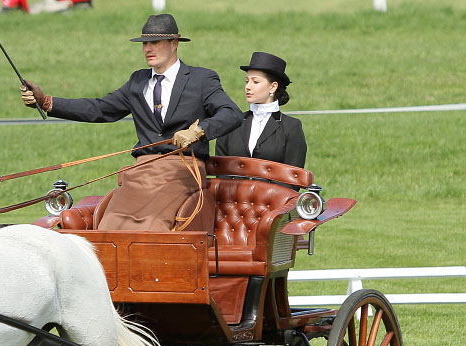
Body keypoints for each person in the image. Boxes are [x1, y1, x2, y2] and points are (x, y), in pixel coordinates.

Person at [21, 13, 242, 231]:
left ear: (174, 43)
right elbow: (99, 108)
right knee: (110, 224)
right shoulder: (138, 80)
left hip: (182, 168)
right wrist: (47, 102)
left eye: (155, 42)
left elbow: (232, 113)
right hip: (141, 172)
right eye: (144, 43)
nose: (148, 49)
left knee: (153, 225)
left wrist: (199, 131)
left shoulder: (201, 79)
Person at [215, 52, 307, 168]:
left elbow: (294, 176)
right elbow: (220, 170)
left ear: (273, 87)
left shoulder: (291, 127)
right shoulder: (231, 124)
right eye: (247, 81)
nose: (248, 87)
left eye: (255, 82)